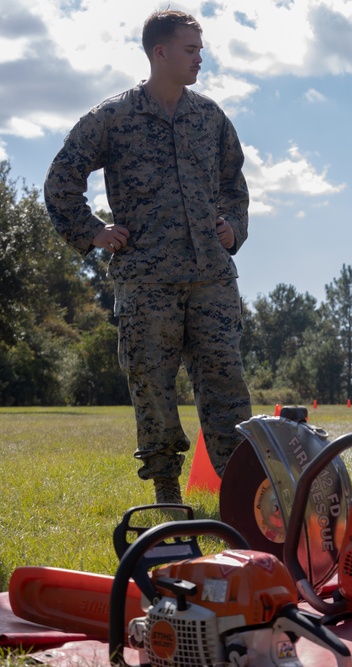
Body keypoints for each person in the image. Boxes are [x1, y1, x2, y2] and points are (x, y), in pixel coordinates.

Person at [44, 10, 252, 505]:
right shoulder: (112, 118)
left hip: (210, 279)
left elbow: (234, 185)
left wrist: (233, 227)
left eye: (200, 49)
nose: (200, 57)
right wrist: (92, 232)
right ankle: (166, 494)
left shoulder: (211, 117)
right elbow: (61, 181)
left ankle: (247, 497)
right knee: (153, 389)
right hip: (146, 280)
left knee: (227, 385)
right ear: (160, 52)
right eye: (190, 49)